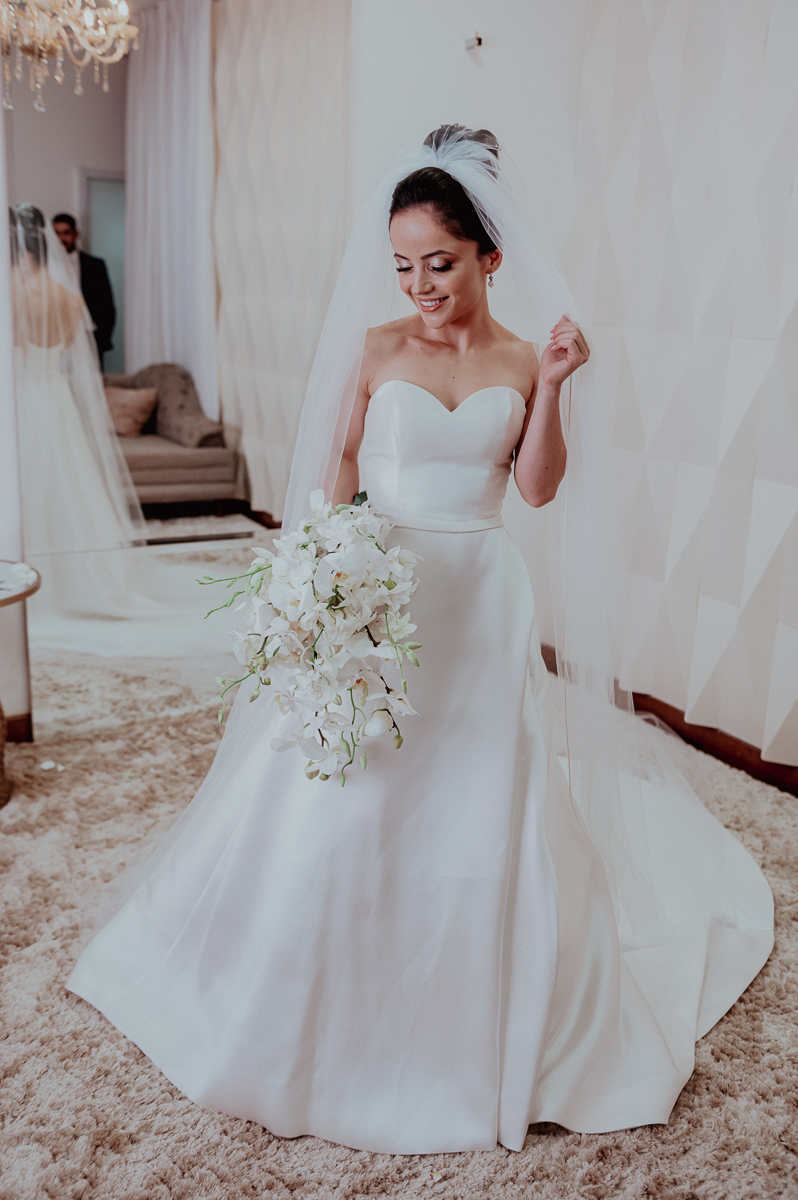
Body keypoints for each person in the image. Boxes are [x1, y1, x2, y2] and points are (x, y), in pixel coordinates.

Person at [67, 127, 773, 1154]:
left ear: (489, 256)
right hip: (372, 588)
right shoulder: (376, 346)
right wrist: (321, 570)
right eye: (402, 266)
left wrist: (560, 386)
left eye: (438, 264)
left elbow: (535, 488)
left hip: (478, 593)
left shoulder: (528, 357)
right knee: (345, 787)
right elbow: (344, 460)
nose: (420, 285)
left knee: (477, 793)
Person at [52, 211, 116, 368]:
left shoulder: (95, 265)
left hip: (90, 335)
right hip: (57, 339)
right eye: (57, 234)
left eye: (66, 233)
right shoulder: (47, 267)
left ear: (75, 233)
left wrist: (102, 338)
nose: (62, 238)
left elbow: (107, 304)